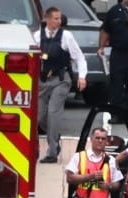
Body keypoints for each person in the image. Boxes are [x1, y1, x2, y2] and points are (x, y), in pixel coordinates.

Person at [35, 6, 88, 164]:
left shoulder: (66, 36)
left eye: (60, 18)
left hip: (60, 79)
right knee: (39, 116)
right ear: (47, 19)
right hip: (42, 80)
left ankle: (52, 152)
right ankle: (54, 135)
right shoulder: (37, 36)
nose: (59, 21)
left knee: (53, 112)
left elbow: (79, 57)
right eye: (55, 18)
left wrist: (82, 77)